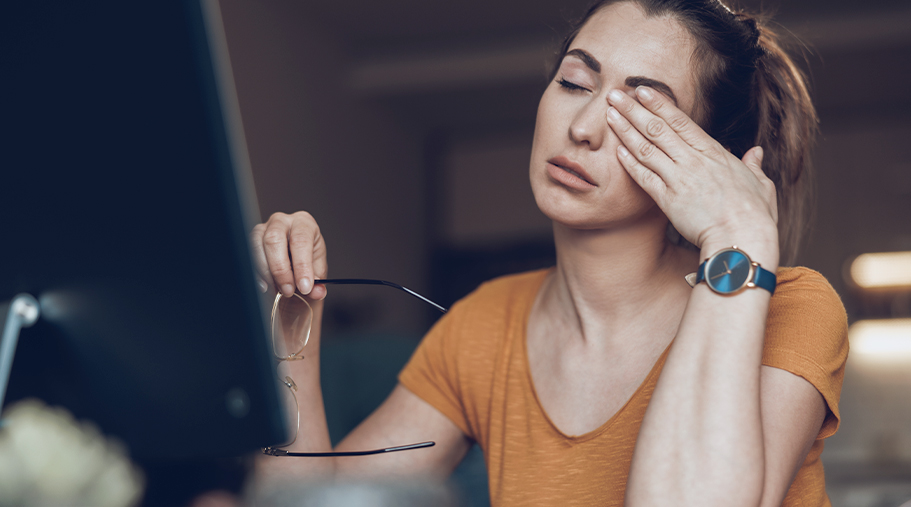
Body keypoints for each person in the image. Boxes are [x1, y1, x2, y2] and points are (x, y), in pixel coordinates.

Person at [250, 0, 848, 505]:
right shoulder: (487, 323)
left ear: (707, 159)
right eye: (574, 82)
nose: (583, 126)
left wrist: (736, 239)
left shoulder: (791, 306)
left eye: (641, 112)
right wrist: (291, 319)